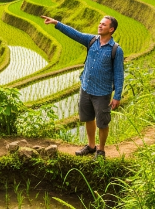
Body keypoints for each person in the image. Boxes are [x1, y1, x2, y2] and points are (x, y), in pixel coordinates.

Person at [42, 15, 124, 158]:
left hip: (102, 93)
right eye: (100, 23)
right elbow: (74, 34)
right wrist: (57, 23)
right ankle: (91, 146)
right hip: (86, 88)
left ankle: (101, 150)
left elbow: (119, 74)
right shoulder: (91, 41)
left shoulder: (116, 50)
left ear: (111, 29)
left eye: (104, 25)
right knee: (88, 118)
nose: (100, 26)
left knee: (103, 123)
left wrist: (117, 96)